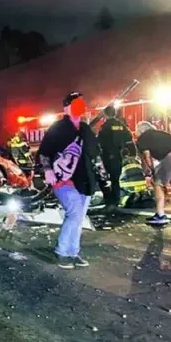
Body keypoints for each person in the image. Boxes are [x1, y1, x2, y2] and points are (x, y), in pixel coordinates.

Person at [37, 92, 101, 269]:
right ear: (66, 108)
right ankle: (62, 251)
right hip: (63, 179)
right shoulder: (58, 128)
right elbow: (44, 152)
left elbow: (94, 153)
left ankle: (73, 252)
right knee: (74, 212)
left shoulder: (86, 129)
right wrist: (48, 170)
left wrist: (102, 174)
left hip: (85, 180)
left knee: (79, 217)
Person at [135, 121, 171, 225]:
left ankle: (160, 215)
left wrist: (152, 171)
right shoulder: (161, 133)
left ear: (140, 131)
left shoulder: (143, 137)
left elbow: (147, 156)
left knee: (157, 183)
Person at [97, 105, 134, 211]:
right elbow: (129, 139)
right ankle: (116, 200)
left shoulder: (105, 126)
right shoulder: (121, 125)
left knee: (102, 178)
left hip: (108, 156)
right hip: (119, 155)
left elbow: (101, 142)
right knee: (115, 180)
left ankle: (109, 201)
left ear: (105, 114)